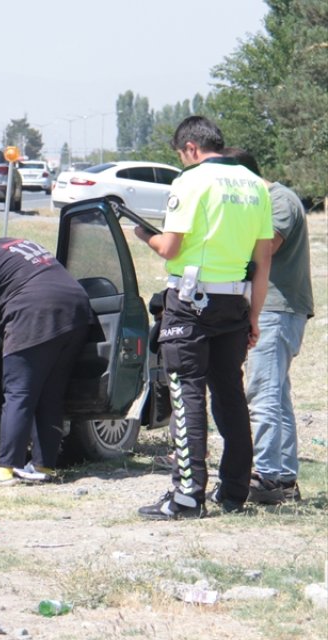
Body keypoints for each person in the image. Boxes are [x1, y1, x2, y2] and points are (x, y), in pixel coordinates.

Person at [133, 116, 273, 520]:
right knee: (230, 394)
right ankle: (233, 490)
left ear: (191, 148)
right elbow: (263, 262)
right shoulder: (254, 185)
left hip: (191, 301)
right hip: (235, 302)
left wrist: (146, 235)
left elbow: (171, 248)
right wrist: (255, 317)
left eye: (181, 155)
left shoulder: (190, 181)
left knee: (186, 392)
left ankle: (187, 495)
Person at [0, 212, 92, 484]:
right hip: (77, 311)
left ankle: (5, 469)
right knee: (50, 393)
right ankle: (44, 467)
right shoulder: (16, 244)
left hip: (35, 316)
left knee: (18, 393)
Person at [223, 147, 312, 505]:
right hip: (273, 308)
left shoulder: (279, 201)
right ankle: (283, 477)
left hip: (277, 309)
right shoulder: (265, 201)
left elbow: (267, 247)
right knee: (276, 394)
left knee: (263, 394)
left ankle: (268, 475)